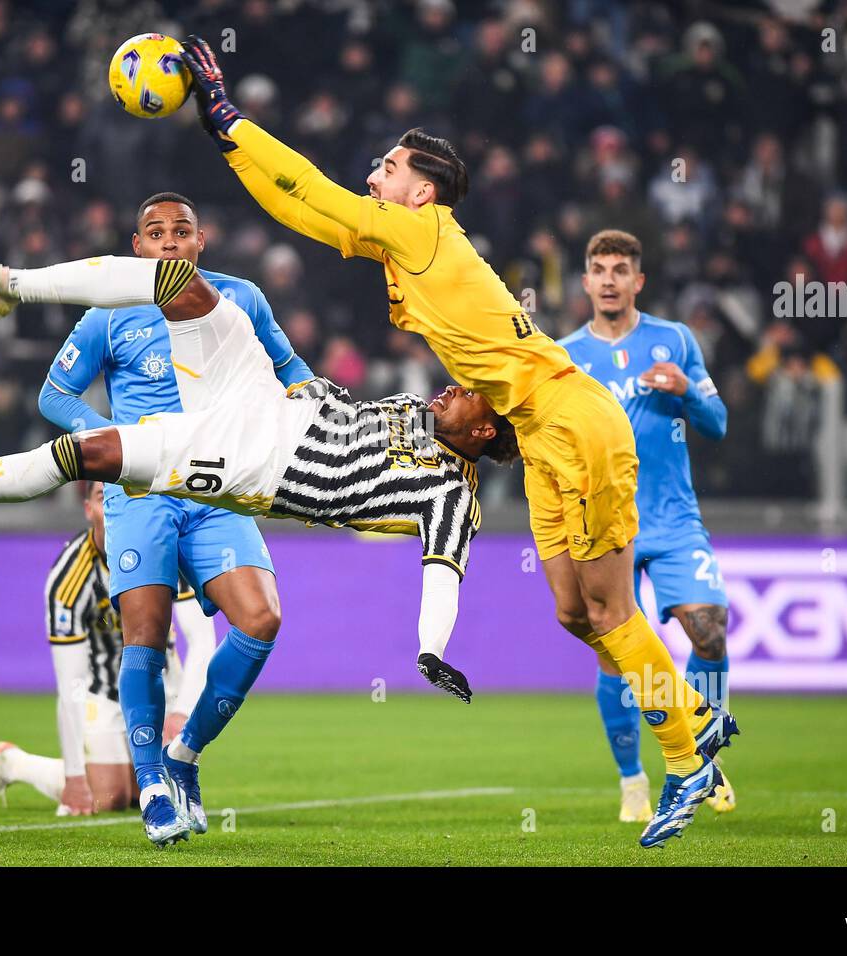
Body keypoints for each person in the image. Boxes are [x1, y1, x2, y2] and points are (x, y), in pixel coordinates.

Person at [176, 36, 737, 847]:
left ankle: (687, 757)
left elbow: (316, 188)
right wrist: (221, 140)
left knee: (611, 607)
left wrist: (228, 111)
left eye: (387, 167)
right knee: (575, 613)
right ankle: (690, 717)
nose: (374, 175)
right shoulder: (404, 246)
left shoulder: (425, 230)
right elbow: (300, 208)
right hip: (540, 436)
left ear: (423, 189)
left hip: (572, 418)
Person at [0, 246, 510, 847]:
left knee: (85, 456)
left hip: (249, 462)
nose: (453, 388)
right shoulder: (420, 410)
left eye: (473, 397)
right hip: (263, 397)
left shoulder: (451, 498)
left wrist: (431, 649)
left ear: (483, 435)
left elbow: (443, 571)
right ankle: (5, 298)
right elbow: (345, 369)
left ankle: (178, 760)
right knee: (178, 283)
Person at [37, 191, 313, 840]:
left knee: (262, 617)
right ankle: (153, 789)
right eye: (155, 232)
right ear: (138, 247)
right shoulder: (111, 312)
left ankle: (182, 756)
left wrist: (311, 417)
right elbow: (55, 394)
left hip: (217, 492)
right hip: (143, 495)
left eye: (180, 231)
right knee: (147, 636)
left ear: (199, 241)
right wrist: (116, 444)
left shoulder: (240, 298)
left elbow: (290, 367)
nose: (167, 240)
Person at [556, 230, 735, 823]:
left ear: (639, 281)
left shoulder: (675, 340)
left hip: (673, 519)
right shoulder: (564, 357)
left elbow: (718, 424)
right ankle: (633, 780)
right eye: (599, 269)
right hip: (605, 524)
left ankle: (703, 760)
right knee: (616, 659)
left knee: (708, 629)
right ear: (585, 282)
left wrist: (686, 392)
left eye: (620, 269)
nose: (609, 279)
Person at [0, 482, 216, 817]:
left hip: (161, 689)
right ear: (88, 509)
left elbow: (202, 640)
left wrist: (182, 710)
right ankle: (11, 764)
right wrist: (74, 777)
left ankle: (131, 760)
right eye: (101, 497)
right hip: (101, 693)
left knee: (150, 790)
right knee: (109, 796)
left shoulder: (164, 549)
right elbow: (71, 684)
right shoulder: (69, 577)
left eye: (122, 495)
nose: (112, 504)